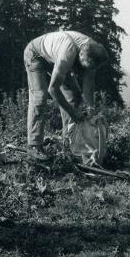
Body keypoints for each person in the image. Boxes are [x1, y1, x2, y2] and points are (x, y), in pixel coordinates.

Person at [23, 30, 108, 161]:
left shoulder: (93, 52)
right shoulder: (67, 55)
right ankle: (34, 146)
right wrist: (73, 113)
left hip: (56, 56)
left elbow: (89, 82)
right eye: (87, 65)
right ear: (81, 54)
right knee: (40, 97)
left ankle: (68, 142)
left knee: (74, 96)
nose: (88, 69)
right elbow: (53, 89)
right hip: (36, 54)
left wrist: (91, 108)